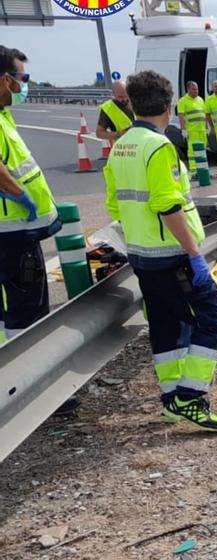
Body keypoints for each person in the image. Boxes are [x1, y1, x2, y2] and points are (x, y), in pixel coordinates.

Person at [103, 70, 217, 431]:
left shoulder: (122, 146)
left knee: (165, 325)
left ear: (132, 104)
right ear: (170, 106)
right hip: (172, 255)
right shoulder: (159, 147)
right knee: (213, 320)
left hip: (141, 254)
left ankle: (172, 398)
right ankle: (190, 398)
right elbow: (167, 204)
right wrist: (193, 254)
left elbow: (115, 206)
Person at [0, 45, 61, 347]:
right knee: (26, 311)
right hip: (12, 232)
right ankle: (27, 376)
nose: (24, 86)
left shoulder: (3, 115)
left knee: (18, 305)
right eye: (23, 78)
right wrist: (20, 196)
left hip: (17, 230)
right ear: (5, 80)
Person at [175, 80, 206, 179]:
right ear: (188, 89)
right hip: (192, 131)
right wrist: (183, 130)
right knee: (192, 153)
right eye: (193, 89)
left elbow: (203, 115)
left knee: (202, 152)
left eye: (197, 88)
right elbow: (181, 116)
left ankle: (203, 171)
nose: (196, 90)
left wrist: (206, 127)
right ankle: (194, 172)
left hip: (202, 130)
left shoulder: (200, 100)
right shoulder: (182, 101)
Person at [96, 80, 134, 145]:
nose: (124, 99)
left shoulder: (135, 101)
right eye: (120, 97)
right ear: (113, 94)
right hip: (123, 148)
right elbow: (99, 133)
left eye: (125, 95)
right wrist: (118, 134)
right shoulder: (108, 108)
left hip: (140, 145)